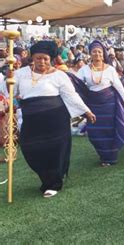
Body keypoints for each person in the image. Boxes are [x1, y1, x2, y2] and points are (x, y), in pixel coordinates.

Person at [12, 41, 95, 197]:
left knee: (55, 151)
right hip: (31, 120)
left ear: (50, 59)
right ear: (32, 58)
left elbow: (71, 95)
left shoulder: (59, 75)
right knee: (31, 149)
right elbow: (9, 90)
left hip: (56, 120)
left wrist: (86, 111)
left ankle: (53, 183)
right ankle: (46, 178)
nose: (41, 62)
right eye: (38, 58)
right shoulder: (21, 73)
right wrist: (8, 79)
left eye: (45, 58)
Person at [77, 40, 124, 167]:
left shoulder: (110, 70)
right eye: (94, 51)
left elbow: (118, 86)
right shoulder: (84, 70)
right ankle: (103, 154)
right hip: (93, 106)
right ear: (90, 54)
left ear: (103, 54)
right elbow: (77, 84)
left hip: (109, 105)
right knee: (94, 132)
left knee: (110, 131)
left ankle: (110, 157)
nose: (97, 54)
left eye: (99, 52)